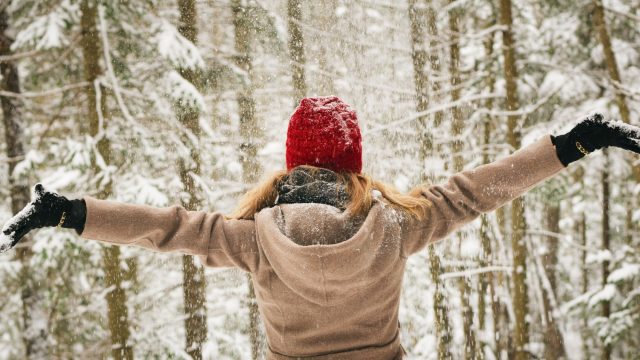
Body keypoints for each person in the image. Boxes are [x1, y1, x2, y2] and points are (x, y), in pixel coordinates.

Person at [2, 96, 640, 359]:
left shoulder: (253, 239)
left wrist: (70, 212)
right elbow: (477, 191)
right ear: (354, 162)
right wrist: (573, 143)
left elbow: (169, 229)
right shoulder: (396, 225)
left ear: (292, 162)